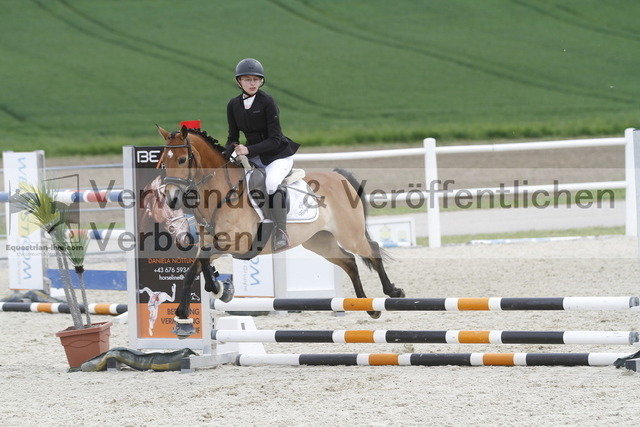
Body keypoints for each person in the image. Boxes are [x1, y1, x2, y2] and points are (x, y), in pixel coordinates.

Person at [225, 58, 300, 252]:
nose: (252, 83)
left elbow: (275, 139)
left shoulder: (267, 102)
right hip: (255, 156)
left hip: (278, 155)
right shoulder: (233, 105)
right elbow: (232, 138)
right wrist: (222, 158)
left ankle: (281, 232)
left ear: (261, 81)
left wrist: (248, 150)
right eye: (247, 79)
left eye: (256, 79)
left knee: (271, 183)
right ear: (239, 81)